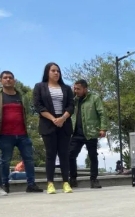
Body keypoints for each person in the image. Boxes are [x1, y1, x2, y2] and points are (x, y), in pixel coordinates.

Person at [33, 62, 74, 194]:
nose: (56, 73)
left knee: (64, 154)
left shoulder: (66, 88)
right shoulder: (40, 87)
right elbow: (38, 106)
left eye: (58, 71)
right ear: (47, 72)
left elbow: (71, 106)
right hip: (48, 124)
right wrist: (53, 119)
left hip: (64, 124)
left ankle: (66, 183)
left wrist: (62, 118)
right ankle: (50, 183)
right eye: (53, 71)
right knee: (50, 154)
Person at [0, 71, 43, 194]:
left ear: (14, 80)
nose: (8, 80)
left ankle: (31, 185)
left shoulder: (22, 96)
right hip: (5, 135)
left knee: (29, 159)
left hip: (23, 134)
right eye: (5, 78)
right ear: (1, 81)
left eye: (10, 78)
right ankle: (5, 184)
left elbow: (27, 113)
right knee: (5, 160)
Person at [68, 79, 107, 189]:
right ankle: (73, 179)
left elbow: (102, 113)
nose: (76, 91)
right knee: (70, 155)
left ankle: (94, 180)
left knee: (93, 156)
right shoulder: (73, 100)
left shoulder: (94, 98)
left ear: (85, 89)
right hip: (76, 133)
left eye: (78, 89)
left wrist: (103, 128)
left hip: (91, 132)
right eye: (75, 88)